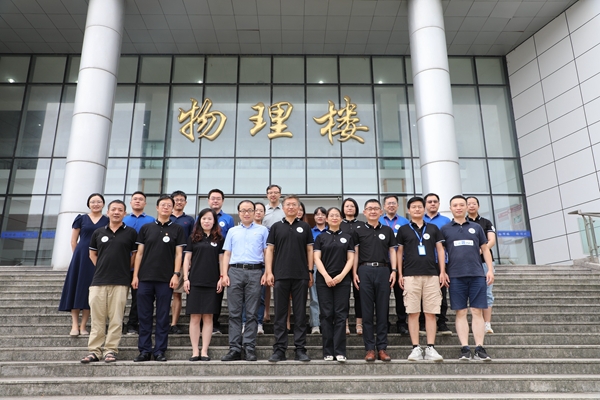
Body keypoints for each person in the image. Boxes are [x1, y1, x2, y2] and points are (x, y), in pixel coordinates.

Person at [81, 200, 137, 363]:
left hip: (120, 281)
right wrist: (102, 266)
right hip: (98, 281)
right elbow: (92, 254)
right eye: (113, 209)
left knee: (116, 319)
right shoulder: (98, 232)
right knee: (97, 319)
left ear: (124, 214)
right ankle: (94, 351)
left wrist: (125, 268)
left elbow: (134, 255)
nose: (116, 212)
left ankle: (110, 350)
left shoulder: (131, 233)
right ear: (108, 212)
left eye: (120, 210)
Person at [131, 195, 186, 362]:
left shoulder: (177, 229)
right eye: (163, 205)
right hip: (145, 278)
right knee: (144, 315)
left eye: (169, 205)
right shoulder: (146, 228)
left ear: (172, 208)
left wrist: (176, 274)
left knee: (162, 316)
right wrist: (135, 275)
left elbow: (179, 254)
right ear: (157, 207)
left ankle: (160, 350)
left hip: (166, 279)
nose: (166, 207)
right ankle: (144, 350)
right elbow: (139, 254)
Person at [441, 195, 494, 361]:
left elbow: (485, 249)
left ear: (466, 207)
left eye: (461, 205)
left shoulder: (476, 227)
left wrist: (490, 270)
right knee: (461, 311)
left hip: (477, 274)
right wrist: (443, 271)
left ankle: (479, 348)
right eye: (455, 205)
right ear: (450, 208)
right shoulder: (445, 229)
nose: (458, 208)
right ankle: (464, 348)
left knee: (477, 311)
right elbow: (441, 252)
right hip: (455, 276)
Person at [396, 197, 448, 362]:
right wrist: (399, 273)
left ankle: (431, 347)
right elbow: (399, 253)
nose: (417, 209)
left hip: (432, 274)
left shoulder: (433, 228)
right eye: (414, 207)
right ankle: (416, 348)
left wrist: (442, 271)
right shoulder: (404, 229)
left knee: (431, 312)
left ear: (424, 209)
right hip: (410, 275)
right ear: (409, 210)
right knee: (413, 312)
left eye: (420, 206)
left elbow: (440, 250)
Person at [265, 195, 314, 362]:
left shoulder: (305, 227)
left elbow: (309, 250)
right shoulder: (276, 227)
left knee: (300, 314)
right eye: (288, 205)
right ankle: (279, 350)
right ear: (283, 207)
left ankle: (300, 349)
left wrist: (310, 271)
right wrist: (269, 272)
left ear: (299, 208)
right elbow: (270, 250)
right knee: (280, 314)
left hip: (301, 275)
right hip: (280, 275)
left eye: (294, 204)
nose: (291, 207)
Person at [220, 200, 269, 362]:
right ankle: (234, 348)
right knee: (234, 312)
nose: (246, 213)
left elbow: (267, 252)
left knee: (252, 312)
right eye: (243, 210)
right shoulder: (232, 231)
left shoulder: (263, 230)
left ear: (255, 212)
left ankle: (249, 347)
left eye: (249, 210)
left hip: (255, 272)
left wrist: (267, 272)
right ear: (239, 213)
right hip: (235, 271)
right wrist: (224, 274)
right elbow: (227, 253)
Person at [353, 199, 397, 362]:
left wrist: (394, 270)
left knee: (382, 311)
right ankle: (370, 349)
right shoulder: (358, 231)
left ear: (381, 212)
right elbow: (355, 253)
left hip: (383, 270)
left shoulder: (387, 230)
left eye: (375, 209)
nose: (372, 211)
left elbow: (392, 251)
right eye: (369, 209)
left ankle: (382, 348)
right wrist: (354, 272)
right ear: (364, 212)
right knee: (366, 312)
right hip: (364, 270)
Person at [59, 193, 109, 336]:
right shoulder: (81, 218)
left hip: (98, 257)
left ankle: (83, 326)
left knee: (90, 290)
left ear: (103, 204)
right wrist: (77, 257)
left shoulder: (107, 220)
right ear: (88, 204)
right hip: (81, 256)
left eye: (99, 201)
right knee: (76, 288)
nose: (96, 204)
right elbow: (73, 241)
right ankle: (74, 325)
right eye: (93, 202)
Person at [183, 208, 224, 362]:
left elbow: (222, 260)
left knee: (208, 317)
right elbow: (187, 259)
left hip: (212, 282)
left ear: (214, 221)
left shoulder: (219, 239)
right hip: (195, 281)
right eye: (204, 218)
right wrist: (186, 279)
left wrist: (221, 277)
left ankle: (205, 351)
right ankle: (195, 351)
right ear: (199, 221)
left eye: (209, 219)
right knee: (194, 317)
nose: (206, 221)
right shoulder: (193, 238)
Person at [314, 207, 355, 362]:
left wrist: (341, 276)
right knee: (326, 314)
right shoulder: (321, 237)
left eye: (337, 215)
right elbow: (316, 258)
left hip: (342, 280)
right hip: (323, 280)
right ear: (326, 219)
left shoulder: (347, 237)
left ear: (341, 218)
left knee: (340, 315)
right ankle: (327, 351)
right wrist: (326, 276)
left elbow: (351, 259)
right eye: (331, 215)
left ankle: (340, 351)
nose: (334, 217)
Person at [122, 191, 155, 335]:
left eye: (141, 199)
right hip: (122, 264)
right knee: (119, 297)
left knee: (138, 297)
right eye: (135, 199)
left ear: (145, 203)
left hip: (141, 265)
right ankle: (117, 323)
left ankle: (132, 324)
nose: (137, 201)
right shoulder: (123, 219)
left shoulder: (151, 220)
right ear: (130, 202)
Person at [379, 195, 410, 335]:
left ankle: (402, 323)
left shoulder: (405, 222)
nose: (391, 205)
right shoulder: (378, 221)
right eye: (388, 203)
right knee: (382, 296)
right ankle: (383, 323)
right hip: (383, 263)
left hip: (401, 263)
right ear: (384, 206)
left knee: (401, 294)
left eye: (394, 203)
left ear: (398, 205)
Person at [423, 192, 452, 336]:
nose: (432, 204)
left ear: (439, 204)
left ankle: (442, 322)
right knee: (423, 293)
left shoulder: (446, 221)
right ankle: (423, 323)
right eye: (429, 202)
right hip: (422, 262)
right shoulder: (418, 219)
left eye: (435, 201)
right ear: (425, 205)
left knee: (441, 292)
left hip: (440, 262)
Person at [466, 196, 497, 334]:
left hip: (485, 262)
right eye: (469, 204)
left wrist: (481, 250)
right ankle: (475, 322)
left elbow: (492, 240)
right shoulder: (462, 222)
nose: (471, 206)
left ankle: (487, 323)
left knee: (487, 292)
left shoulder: (486, 222)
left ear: (478, 206)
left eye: (474, 203)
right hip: (468, 262)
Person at [206, 188, 234, 335]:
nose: (215, 201)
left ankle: (214, 323)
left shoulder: (228, 219)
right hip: (204, 261)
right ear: (208, 200)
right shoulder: (201, 217)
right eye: (213, 198)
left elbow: (231, 241)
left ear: (222, 201)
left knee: (217, 293)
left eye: (218, 198)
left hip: (221, 261)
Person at [169, 190, 195, 335]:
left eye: (181, 200)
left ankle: (174, 323)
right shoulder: (166, 217)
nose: (179, 202)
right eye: (176, 200)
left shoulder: (189, 220)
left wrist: (189, 261)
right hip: (164, 260)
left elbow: (192, 240)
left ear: (185, 203)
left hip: (181, 261)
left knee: (177, 293)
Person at [340, 197, 362, 335]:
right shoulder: (339, 224)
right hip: (342, 264)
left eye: (352, 206)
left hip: (360, 264)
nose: (349, 208)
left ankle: (359, 323)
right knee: (344, 295)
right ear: (343, 209)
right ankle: (345, 323)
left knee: (359, 294)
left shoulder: (362, 225)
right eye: (347, 206)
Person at [309, 207, 327, 334]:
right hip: (314, 266)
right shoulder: (310, 232)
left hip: (330, 267)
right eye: (317, 214)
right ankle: (315, 324)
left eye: (323, 214)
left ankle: (328, 323)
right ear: (314, 217)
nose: (320, 216)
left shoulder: (331, 231)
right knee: (314, 298)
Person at [254, 202, 270, 326]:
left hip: (263, 266)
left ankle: (259, 323)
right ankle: (245, 322)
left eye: (261, 211)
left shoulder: (266, 230)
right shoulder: (243, 228)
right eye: (256, 210)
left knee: (261, 297)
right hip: (248, 266)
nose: (258, 212)